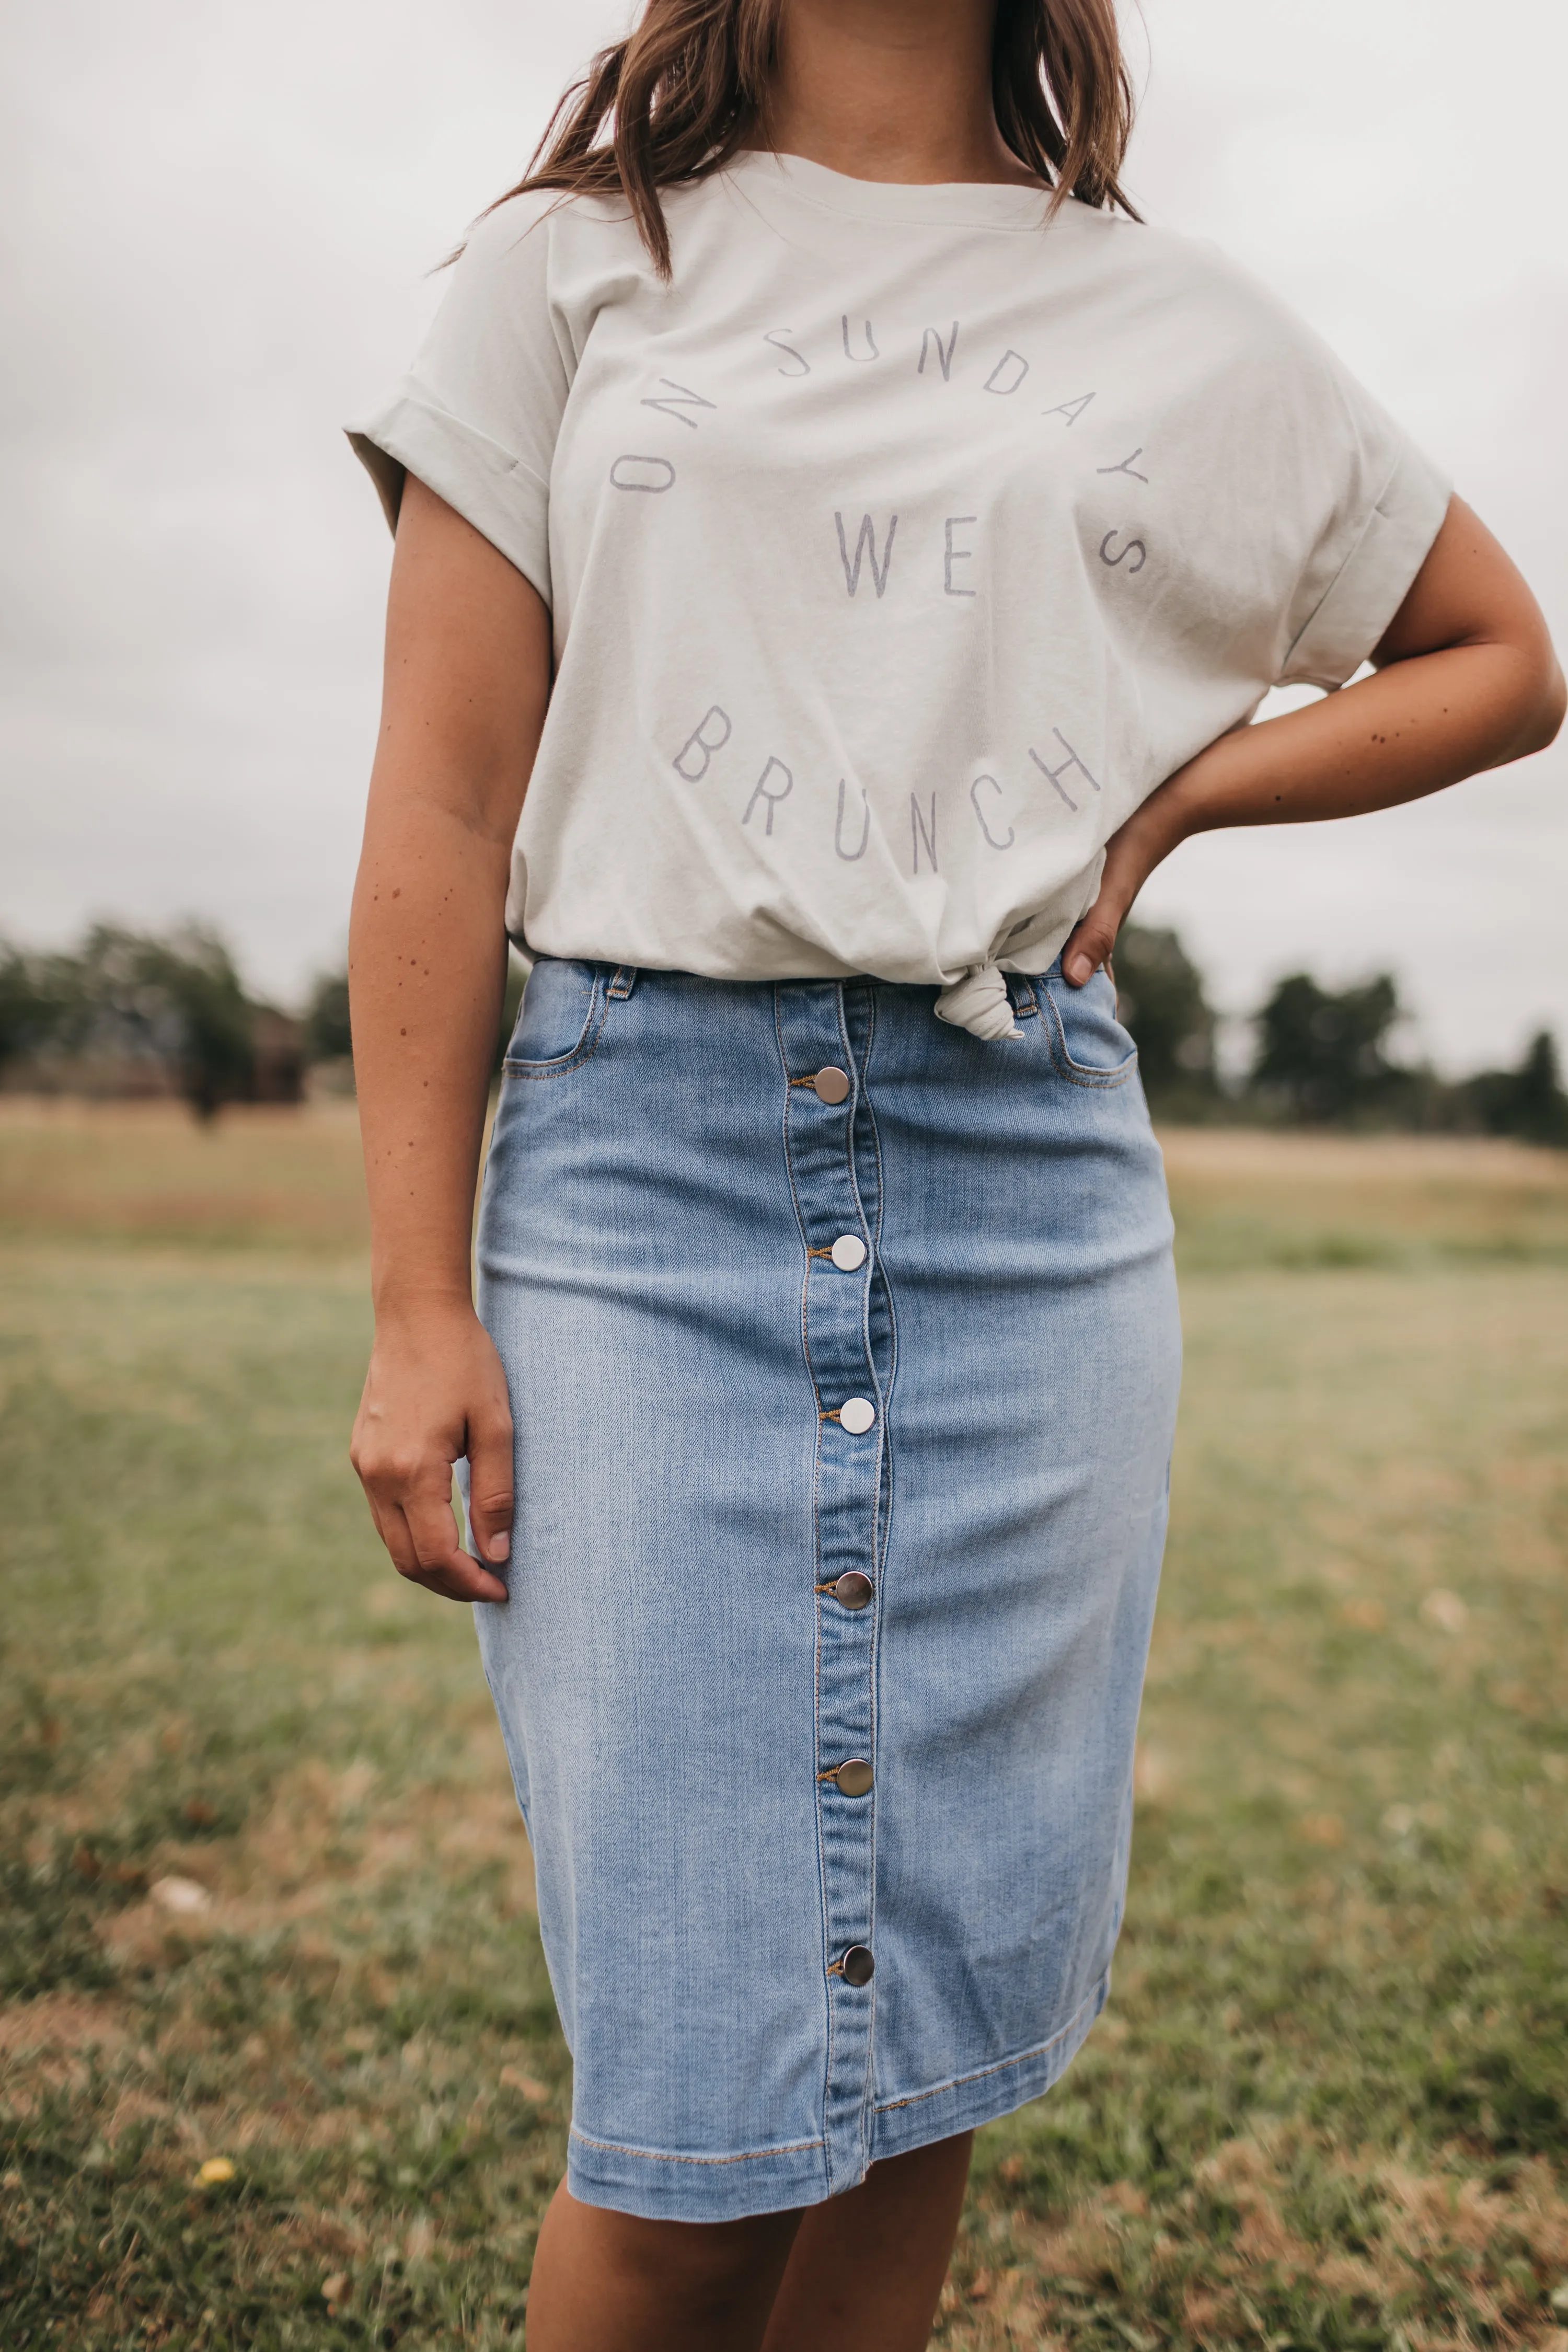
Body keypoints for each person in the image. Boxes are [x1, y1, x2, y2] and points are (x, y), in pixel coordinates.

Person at [343, 2, 1564, 2344]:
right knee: (696, 2116)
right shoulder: (575, 270)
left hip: (1029, 1192)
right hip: (644, 1182)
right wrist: (418, 1302)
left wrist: (1190, 788)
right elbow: (437, 808)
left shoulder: (1179, 322)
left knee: (921, 2076)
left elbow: (1505, 656)